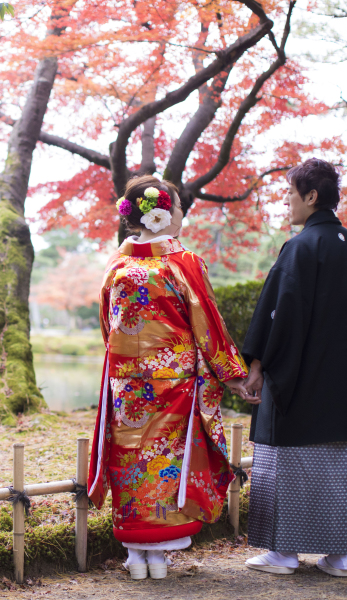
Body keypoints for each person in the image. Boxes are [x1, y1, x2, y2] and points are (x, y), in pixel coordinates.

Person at [86, 175, 251, 580]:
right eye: (178, 208)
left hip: (127, 386)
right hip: (173, 386)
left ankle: (135, 554)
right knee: (165, 461)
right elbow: (207, 323)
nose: (182, 214)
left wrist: (127, 368)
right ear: (161, 214)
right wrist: (231, 373)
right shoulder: (183, 262)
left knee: (129, 458)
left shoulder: (116, 265)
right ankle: (158, 555)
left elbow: (108, 329)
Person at [241, 158, 347, 577]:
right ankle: (339, 557)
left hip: (298, 382)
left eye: (290, 195)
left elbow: (278, 315)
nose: (287, 204)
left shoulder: (299, 247)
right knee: (335, 464)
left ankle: (283, 553)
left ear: (311, 196)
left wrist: (258, 365)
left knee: (286, 459)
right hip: (341, 384)